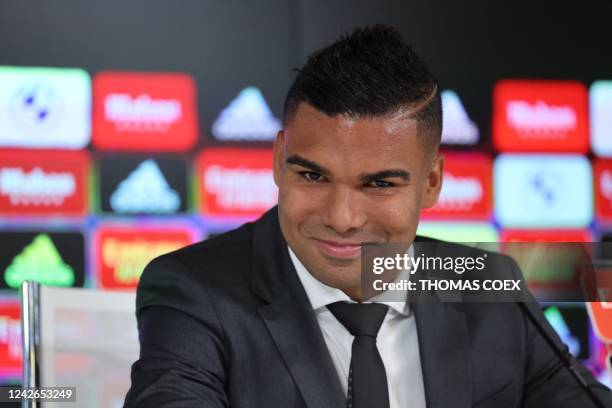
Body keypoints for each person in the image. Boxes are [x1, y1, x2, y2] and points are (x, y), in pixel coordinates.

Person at [123, 25, 611, 407]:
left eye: (379, 184)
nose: (342, 217)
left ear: (432, 183)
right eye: (313, 177)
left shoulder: (481, 282)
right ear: (278, 160)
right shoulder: (195, 290)